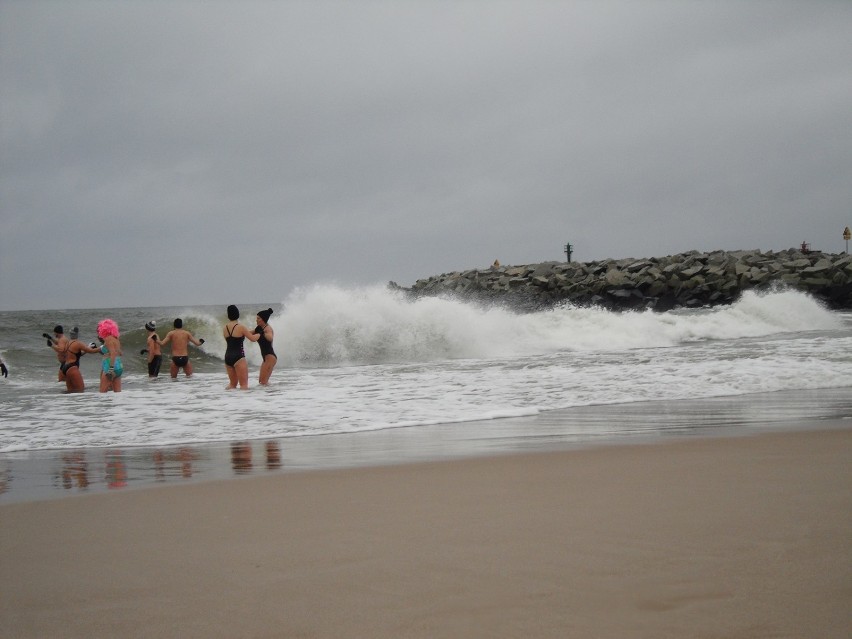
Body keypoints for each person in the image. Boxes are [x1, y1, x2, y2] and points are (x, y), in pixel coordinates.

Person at [223, 304, 260, 390]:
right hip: (238, 357)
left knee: (232, 385)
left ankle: (227, 401)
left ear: (228, 315)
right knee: (244, 386)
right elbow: (253, 339)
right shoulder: (241, 327)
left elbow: (235, 338)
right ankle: (243, 403)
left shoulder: (225, 328)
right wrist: (259, 334)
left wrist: (253, 331)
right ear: (238, 314)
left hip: (228, 357)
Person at [97, 318, 123, 393]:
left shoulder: (108, 339)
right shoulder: (116, 339)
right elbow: (120, 353)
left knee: (102, 392)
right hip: (119, 367)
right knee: (118, 393)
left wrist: (111, 369)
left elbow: (113, 354)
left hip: (110, 367)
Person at [254, 308, 277, 385]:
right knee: (261, 381)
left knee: (263, 382)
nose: (256, 320)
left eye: (258, 318)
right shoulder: (259, 328)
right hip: (265, 358)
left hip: (270, 357)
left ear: (263, 319)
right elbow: (249, 333)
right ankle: (266, 396)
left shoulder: (267, 328)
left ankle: (270, 395)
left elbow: (270, 338)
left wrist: (263, 333)